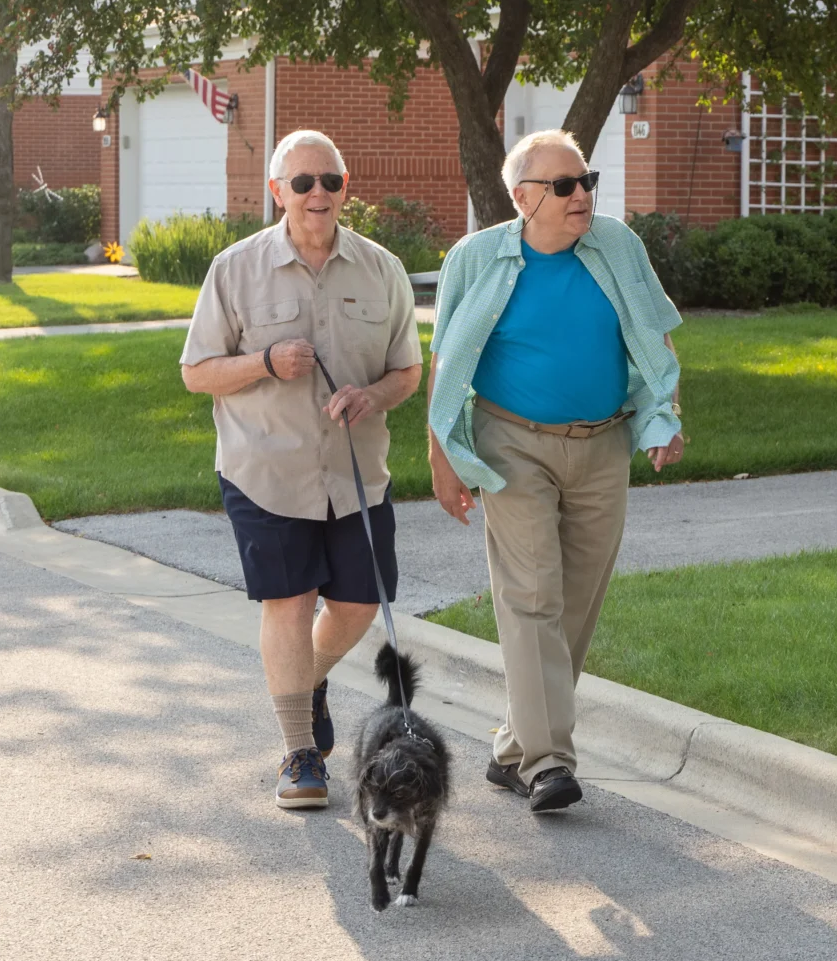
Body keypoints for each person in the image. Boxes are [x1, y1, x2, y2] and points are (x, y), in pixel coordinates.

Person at [427, 128, 685, 813]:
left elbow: (652, 333)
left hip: (605, 441)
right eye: (565, 185)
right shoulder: (477, 259)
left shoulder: (615, 244)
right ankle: (547, 762)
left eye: (586, 180)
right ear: (522, 197)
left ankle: (515, 744)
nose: (583, 196)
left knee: (576, 599)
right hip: (513, 443)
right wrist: (442, 458)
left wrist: (664, 415)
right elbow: (447, 363)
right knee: (533, 594)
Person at [181, 130, 423, 810]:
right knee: (287, 602)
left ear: (347, 187)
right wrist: (263, 363)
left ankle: (304, 683)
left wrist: (373, 395)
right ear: (277, 191)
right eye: (304, 182)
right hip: (266, 469)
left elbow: (408, 368)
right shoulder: (235, 269)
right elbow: (196, 371)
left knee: (358, 602)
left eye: (331, 180)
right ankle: (299, 752)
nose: (318, 193)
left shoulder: (382, 269)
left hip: (356, 475)